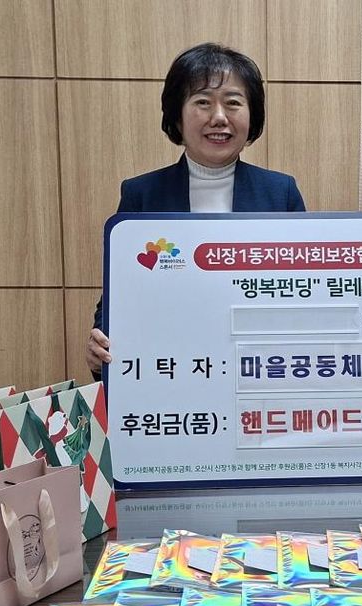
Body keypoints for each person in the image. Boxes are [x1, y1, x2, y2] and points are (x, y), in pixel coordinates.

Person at [86, 43, 306, 377]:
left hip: (258, 370)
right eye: (203, 102)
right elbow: (120, 294)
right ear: (177, 115)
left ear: (253, 115)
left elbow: (303, 290)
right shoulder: (142, 194)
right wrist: (101, 344)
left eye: (233, 102)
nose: (219, 117)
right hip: (174, 370)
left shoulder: (280, 192)